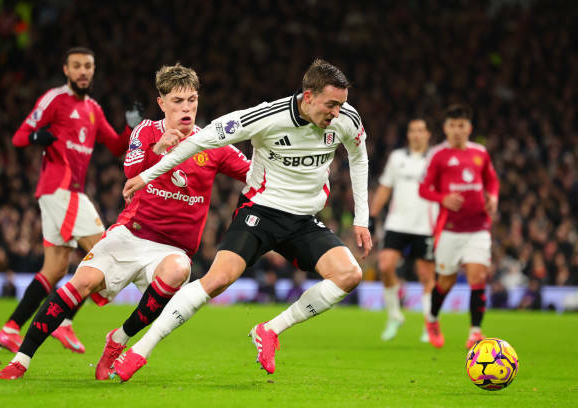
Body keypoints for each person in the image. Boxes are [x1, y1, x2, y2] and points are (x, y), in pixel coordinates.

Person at [115, 59, 371, 381]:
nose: (337, 113)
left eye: (341, 104)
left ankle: (270, 330)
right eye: (331, 105)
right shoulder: (266, 117)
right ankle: (140, 351)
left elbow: (359, 157)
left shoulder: (346, 118)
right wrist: (148, 175)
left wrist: (362, 219)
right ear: (308, 97)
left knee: (349, 275)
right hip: (260, 211)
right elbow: (200, 140)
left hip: (304, 218)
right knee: (217, 280)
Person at [0, 63, 250, 380]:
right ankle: (20, 360)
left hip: (172, 249)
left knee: (178, 270)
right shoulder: (146, 131)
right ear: (162, 103)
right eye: (178, 101)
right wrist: (159, 149)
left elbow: (252, 173)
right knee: (80, 284)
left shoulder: (212, 143)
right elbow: (130, 172)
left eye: (192, 100)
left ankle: (118, 340)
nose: (186, 108)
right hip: (130, 235)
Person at [0, 46, 142, 355]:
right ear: (66, 70)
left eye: (88, 66)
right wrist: (36, 137)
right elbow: (19, 137)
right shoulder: (55, 99)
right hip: (61, 189)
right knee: (104, 250)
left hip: (63, 194)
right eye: (77, 66)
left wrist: (131, 127)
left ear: (93, 70)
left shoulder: (93, 109)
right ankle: (64, 321)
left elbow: (116, 146)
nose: (83, 71)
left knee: (55, 269)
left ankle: (10, 329)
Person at [418, 104, 499, 349]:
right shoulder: (438, 155)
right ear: (445, 128)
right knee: (446, 282)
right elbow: (424, 189)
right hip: (449, 229)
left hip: (478, 227)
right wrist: (442, 198)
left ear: (469, 128)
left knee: (478, 276)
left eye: (461, 126)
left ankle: (475, 332)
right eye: (452, 125)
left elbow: (492, 181)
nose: (456, 130)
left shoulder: (480, 153)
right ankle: (432, 319)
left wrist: (493, 197)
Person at [370, 118, 437, 342]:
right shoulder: (397, 158)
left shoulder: (436, 158)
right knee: (385, 266)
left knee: (426, 275)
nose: (417, 134)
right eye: (413, 130)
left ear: (428, 134)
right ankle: (394, 316)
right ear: (408, 135)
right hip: (397, 223)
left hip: (425, 226)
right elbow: (385, 188)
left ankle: (429, 324)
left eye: (421, 130)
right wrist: (371, 216)